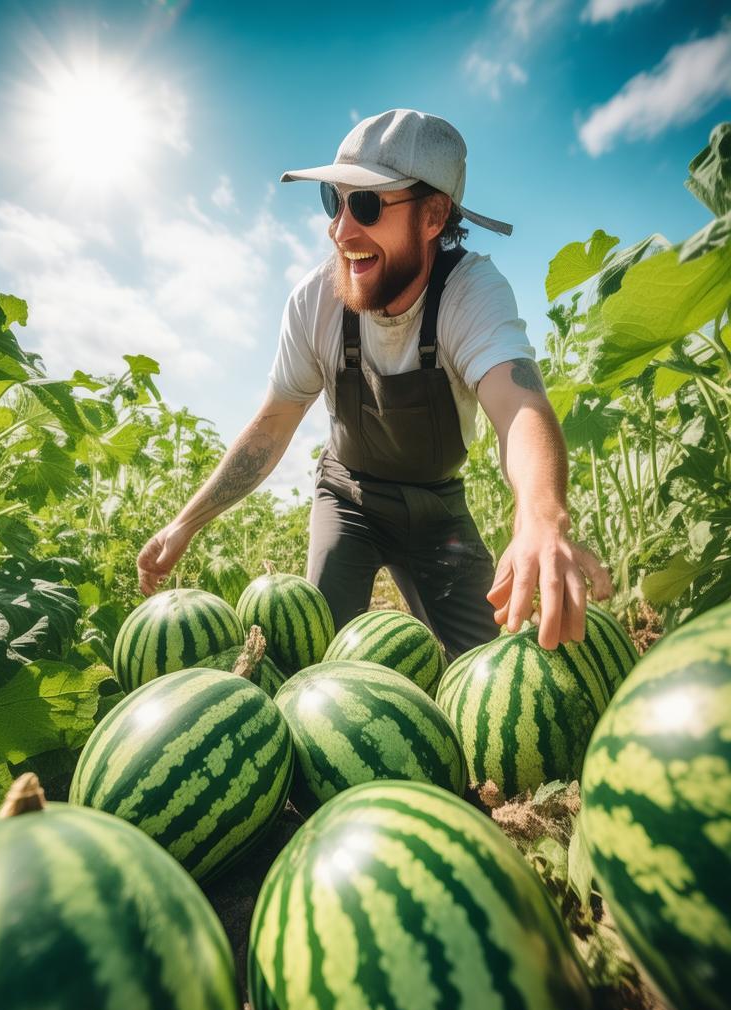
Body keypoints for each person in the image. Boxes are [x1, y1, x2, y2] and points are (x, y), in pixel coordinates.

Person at [137, 109, 611, 654]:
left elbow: (519, 406)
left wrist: (541, 518)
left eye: (364, 204)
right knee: (309, 656)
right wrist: (184, 524)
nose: (340, 229)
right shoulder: (315, 301)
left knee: (491, 654)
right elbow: (271, 427)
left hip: (438, 510)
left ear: (433, 215)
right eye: (332, 202)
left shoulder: (469, 293)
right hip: (347, 496)